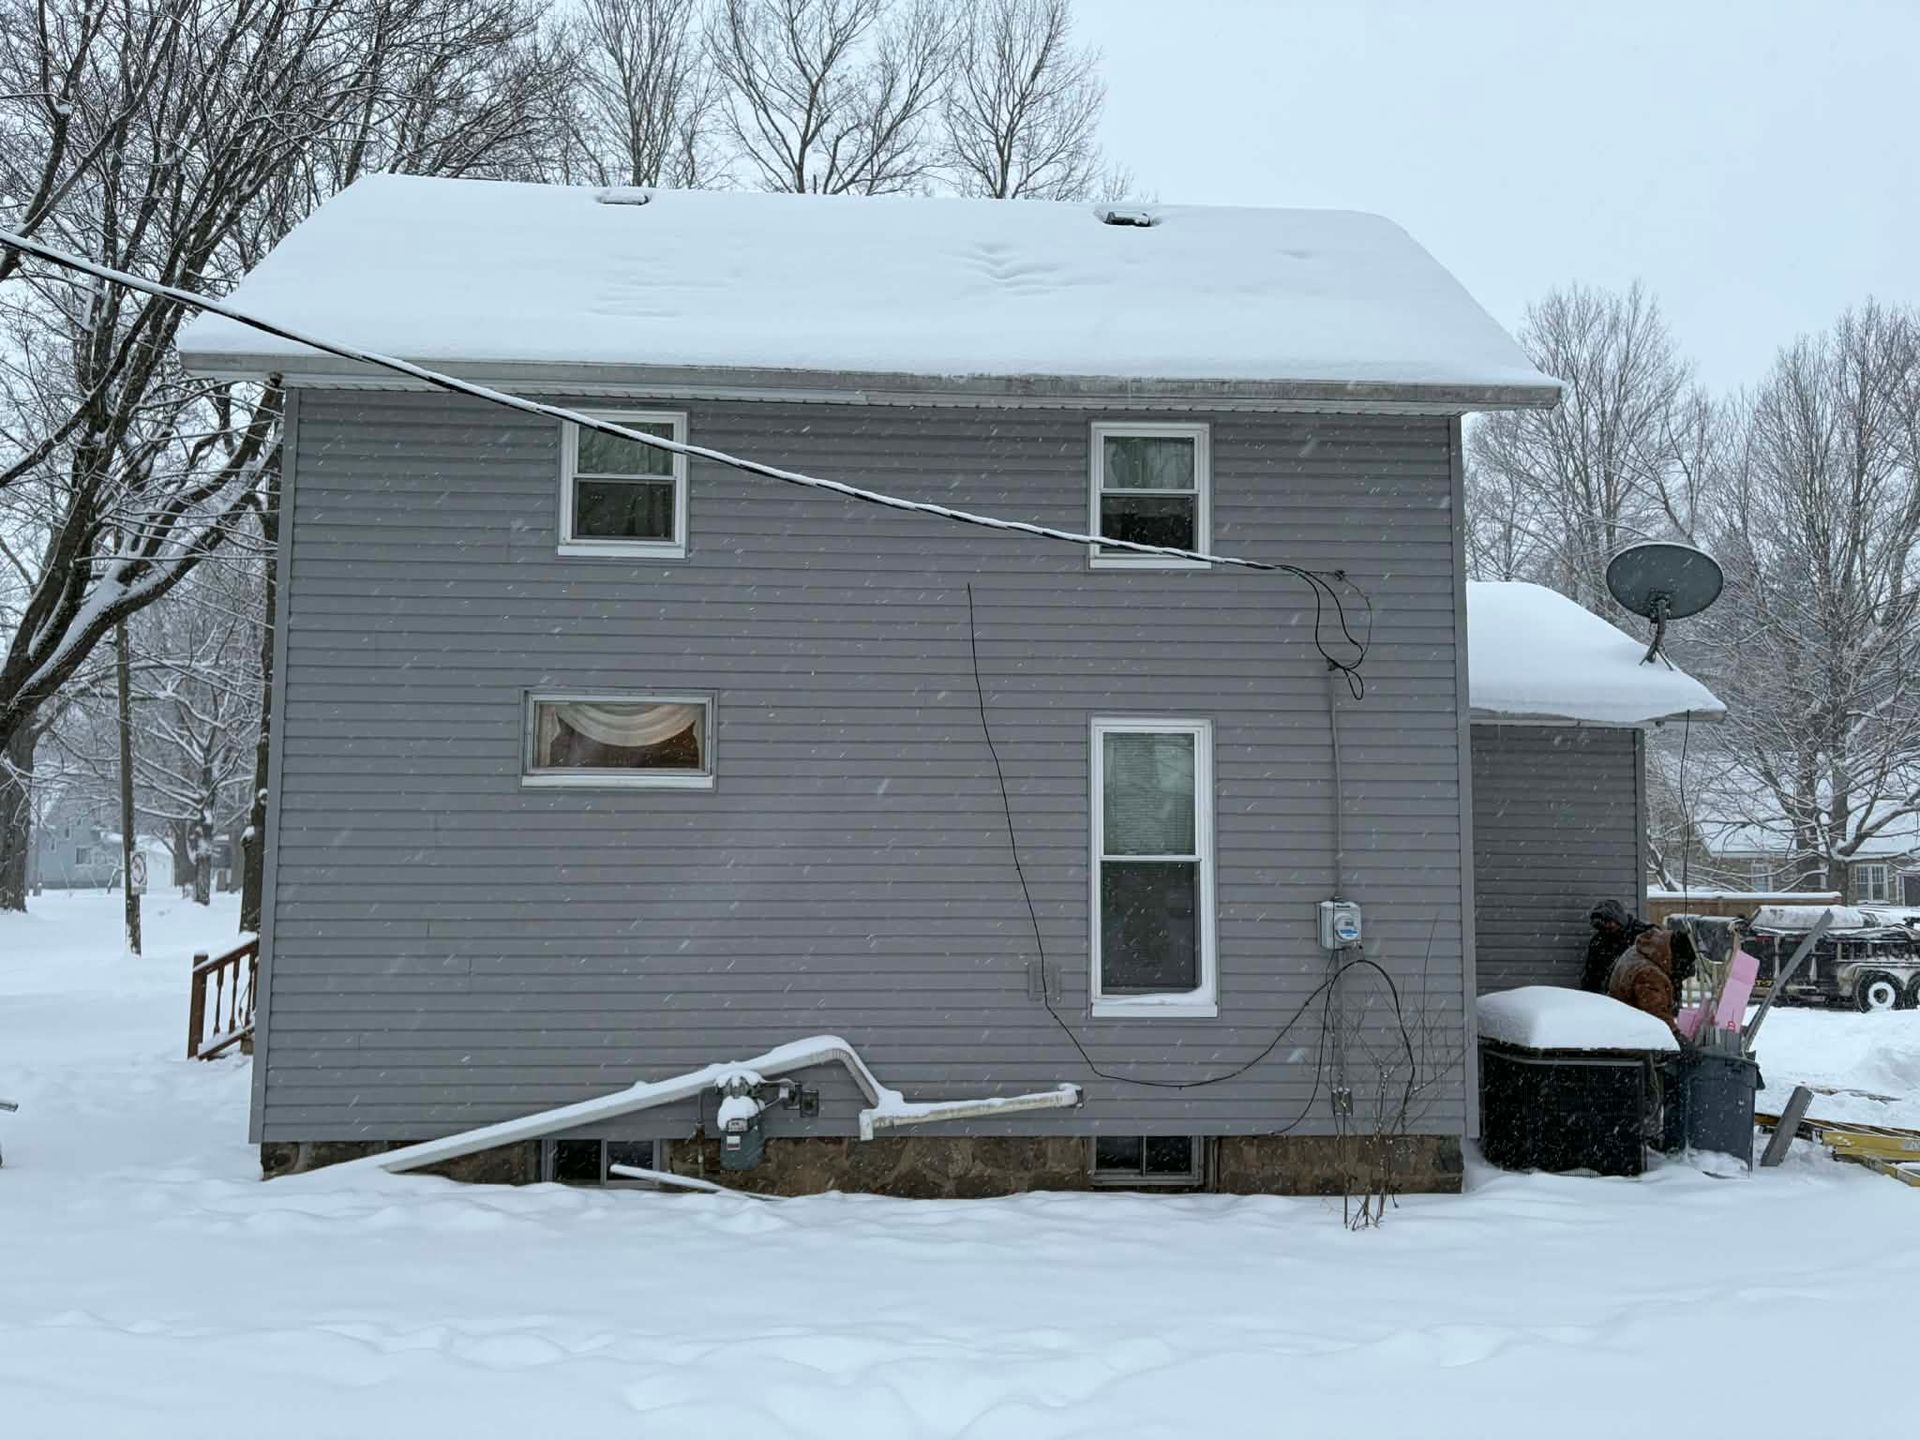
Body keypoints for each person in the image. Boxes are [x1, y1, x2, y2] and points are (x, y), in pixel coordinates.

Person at [1581, 899, 1651, 993]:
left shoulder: (1644, 934)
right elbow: (1591, 977)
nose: (1606, 930)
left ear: (1618, 919)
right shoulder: (1598, 942)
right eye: (1601, 927)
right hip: (1611, 996)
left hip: (1641, 990)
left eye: (1609, 923)